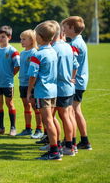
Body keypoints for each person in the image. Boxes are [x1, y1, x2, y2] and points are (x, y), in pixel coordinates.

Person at [27, 21, 61, 160]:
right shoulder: (53, 51)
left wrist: (29, 91)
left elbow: (32, 76)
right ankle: (57, 146)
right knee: (52, 119)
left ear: (40, 37)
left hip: (43, 91)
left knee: (47, 121)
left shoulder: (38, 55)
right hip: (53, 90)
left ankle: (54, 151)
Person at [62, 16, 92, 150]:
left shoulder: (74, 44)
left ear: (72, 28)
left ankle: (72, 141)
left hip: (76, 82)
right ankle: (83, 140)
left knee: (72, 111)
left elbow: (71, 64)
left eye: (65, 26)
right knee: (76, 110)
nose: (63, 29)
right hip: (80, 80)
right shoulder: (77, 41)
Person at [50, 20, 79, 156]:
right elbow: (75, 65)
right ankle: (71, 144)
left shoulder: (54, 49)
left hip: (59, 88)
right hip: (68, 86)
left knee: (58, 116)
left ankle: (65, 146)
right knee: (67, 116)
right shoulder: (68, 46)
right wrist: (72, 78)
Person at [16, 30, 43, 138]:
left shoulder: (34, 52)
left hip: (31, 85)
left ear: (32, 40)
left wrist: (32, 85)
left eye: (24, 39)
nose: (21, 41)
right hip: (22, 83)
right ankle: (28, 128)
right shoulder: (22, 53)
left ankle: (39, 129)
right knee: (26, 106)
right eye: (21, 39)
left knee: (35, 107)